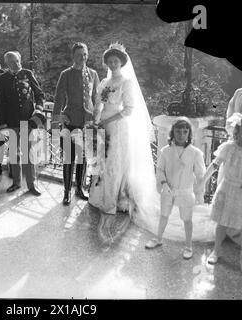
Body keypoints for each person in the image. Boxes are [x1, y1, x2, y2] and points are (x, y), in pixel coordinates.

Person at [88, 43, 158, 245]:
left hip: (118, 127)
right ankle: (99, 197)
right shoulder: (104, 81)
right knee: (101, 161)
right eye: (109, 61)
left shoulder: (126, 82)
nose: (112, 64)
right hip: (102, 125)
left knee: (114, 164)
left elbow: (128, 109)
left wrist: (107, 121)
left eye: (115, 61)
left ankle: (112, 200)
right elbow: (99, 104)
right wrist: (96, 119)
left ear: (121, 62)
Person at [200, 113, 242, 275]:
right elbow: (215, 165)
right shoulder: (229, 148)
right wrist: (202, 181)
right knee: (222, 223)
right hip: (228, 190)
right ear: (237, 131)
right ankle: (216, 251)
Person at [145, 118, 206, 259]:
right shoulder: (166, 151)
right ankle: (158, 238)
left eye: (185, 131)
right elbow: (160, 170)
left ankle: (188, 246)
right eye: (178, 131)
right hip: (168, 189)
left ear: (189, 134)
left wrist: (199, 192)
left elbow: (200, 175)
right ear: (173, 132)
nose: (181, 134)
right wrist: (164, 183)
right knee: (164, 215)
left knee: (187, 219)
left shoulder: (195, 153)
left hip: (185, 191)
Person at [52, 42, 100, 205]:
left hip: (87, 122)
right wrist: (59, 117)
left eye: (85, 54)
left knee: (83, 158)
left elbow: (96, 98)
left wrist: (96, 119)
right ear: (73, 56)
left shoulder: (93, 74)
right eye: (79, 54)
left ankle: (79, 188)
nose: (83, 57)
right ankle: (67, 192)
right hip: (70, 122)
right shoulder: (66, 74)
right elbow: (58, 98)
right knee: (69, 158)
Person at [0, 51, 44, 195]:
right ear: (7, 64)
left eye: (16, 61)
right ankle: (16, 183)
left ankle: (31, 185)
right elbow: (0, 102)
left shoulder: (28, 73)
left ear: (20, 60)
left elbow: (39, 93)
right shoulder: (3, 78)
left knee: (28, 153)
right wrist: (2, 122)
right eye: (11, 62)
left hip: (28, 120)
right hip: (10, 122)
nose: (15, 64)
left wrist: (39, 109)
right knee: (14, 154)